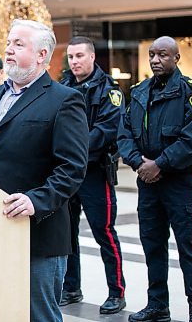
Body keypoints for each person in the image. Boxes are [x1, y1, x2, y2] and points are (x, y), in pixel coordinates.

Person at [0, 19, 89, 322]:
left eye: (19, 44)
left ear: (42, 55)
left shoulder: (64, 100)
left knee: (38, 315)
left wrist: (35, 201)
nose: (9, 50)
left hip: (38, 235)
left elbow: (71, 167)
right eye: (8, 43)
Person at [118, 36, 192, 322]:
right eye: (152, 54)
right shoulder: (139, 92)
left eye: (163, 55)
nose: (156, 60)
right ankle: (158, 305)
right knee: (153, 245)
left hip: (180, 183)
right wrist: (139, 163)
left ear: (176, 58)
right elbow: (124, 134)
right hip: (148, 184)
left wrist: (159, 164)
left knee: (188, 247)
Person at [59, 36, 126, 314]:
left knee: (104, 233)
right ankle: (71, 287)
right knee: (68, 232)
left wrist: (72, 150)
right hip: (67, 172)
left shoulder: (110, 90)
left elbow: (106, 130)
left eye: (79, 56)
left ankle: (116, 292)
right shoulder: (61, 86)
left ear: (92, 57)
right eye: (71, 57)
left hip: (95, 172)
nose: (74, 62)